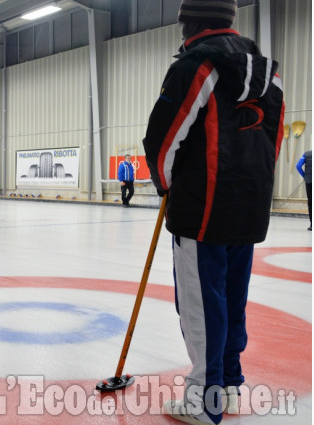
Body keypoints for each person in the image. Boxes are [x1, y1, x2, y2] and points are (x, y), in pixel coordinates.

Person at [142, 1, 284, 424]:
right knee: (232, 299)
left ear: (189, 20)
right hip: (249, 204)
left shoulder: (195, 66)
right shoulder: (267, 72)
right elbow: (271, 140)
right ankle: (229, 387)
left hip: (201, 209)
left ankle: (205, 401)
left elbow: (163, 140)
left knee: (203, 305)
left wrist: (167, 186)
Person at [296, 150, 312, 230]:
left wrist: (305, 176)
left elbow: (298, 166)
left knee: (311, 203)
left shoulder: (306, 154)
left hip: (309, 181)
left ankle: (312, 225)